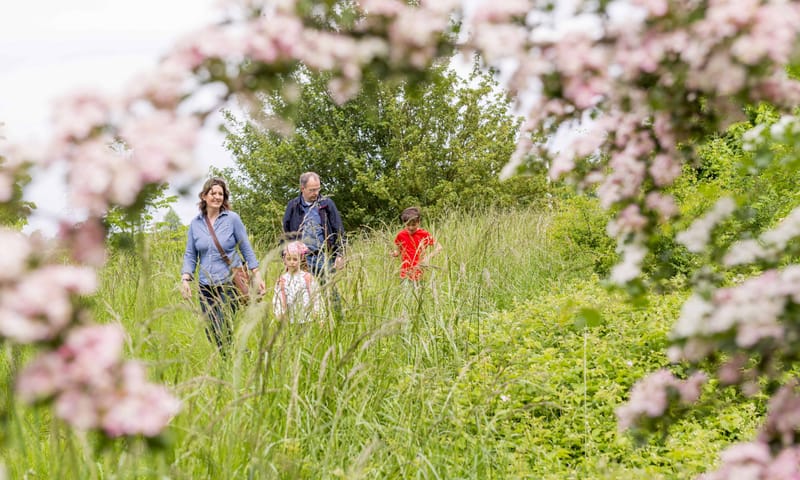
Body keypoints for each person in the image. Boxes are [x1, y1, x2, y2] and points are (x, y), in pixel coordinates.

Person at [181, 177, 266, 353]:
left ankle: (230, 361)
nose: (217, 197)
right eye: (213, 193)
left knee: (223, 325)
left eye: (221, 194)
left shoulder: (232, 219)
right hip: (205, 286)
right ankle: (241, 354)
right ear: (204, 196)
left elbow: (245, 247)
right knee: (211, 331)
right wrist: (186, 278)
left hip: (229, 282)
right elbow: (190, 254)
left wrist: (257, 274)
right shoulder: (195, 224)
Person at [282, 171, 346, 279]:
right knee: (303, 289)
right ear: (302, 188)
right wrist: (285, 256)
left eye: (318, 189)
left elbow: (339, 230)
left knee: (328, 288)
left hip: (325, 258)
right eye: (312, 190)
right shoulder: (293, 206)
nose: (316, 193)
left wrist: (340, 254)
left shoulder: (327, 204)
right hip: (301, 261)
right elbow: (286, 233)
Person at [272, 241, 324, 324]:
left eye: (295, 259)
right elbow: (278, 300)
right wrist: (279, 315)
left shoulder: (307, 278)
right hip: (290, 321)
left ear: (301, 259)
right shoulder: (282, 280)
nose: (292, 262)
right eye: (289, 259)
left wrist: (319, 315)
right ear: (284, 260)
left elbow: (317, 297)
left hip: (308, 320)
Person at [391, 207, 442, 282]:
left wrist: (428, 257)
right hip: (405, 273)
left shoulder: (424, 234)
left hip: (419, 272)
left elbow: (439, 247)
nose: (411, 228)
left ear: (419, 222)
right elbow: (398, 251)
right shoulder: (401, 235)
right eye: (408, 225)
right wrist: (394, 253)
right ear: (404, 223)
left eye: (413, 225)